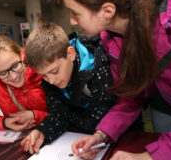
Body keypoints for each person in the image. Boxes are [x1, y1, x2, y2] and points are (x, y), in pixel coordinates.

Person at [61, 0, 171, 159]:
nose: (72, 21)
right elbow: (131, 94)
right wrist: (102, 135)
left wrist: (150, 157)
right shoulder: (111, 40)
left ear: (107, 11)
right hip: (170, 102)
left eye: (75, 12)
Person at [21, 22, 116, 154]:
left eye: (54, 71)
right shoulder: (51, 81)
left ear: (70, 54)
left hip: (120, 137)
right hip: (85, 138)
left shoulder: (98, 69)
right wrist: (42, 131)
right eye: (44, 75)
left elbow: (104, 117)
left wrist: (96, 139)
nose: (52, 81)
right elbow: (58, 115)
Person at [0, 35, 48, 131]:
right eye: (3, 73)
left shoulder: (42, 65)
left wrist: (36, 116)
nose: (14, 77)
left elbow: (68, 110)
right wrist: (4, 122)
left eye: (15, 65)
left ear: (21, 55)